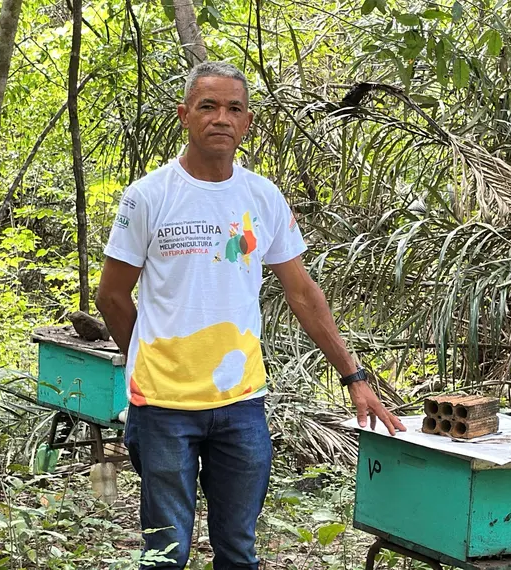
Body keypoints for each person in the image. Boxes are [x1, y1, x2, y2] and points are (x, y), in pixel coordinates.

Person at [95, 61, 405, 570]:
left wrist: (354, 375)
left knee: (238, 551)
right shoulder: (148, 196)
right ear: (185, 115)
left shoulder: (261, 196)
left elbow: (302, 292)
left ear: (247, 122)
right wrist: (146, 360)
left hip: (241, 405)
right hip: (163, 406)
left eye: (233, 109)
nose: (221, 118)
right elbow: (112, 296)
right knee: (164, 554)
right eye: (208, 106)